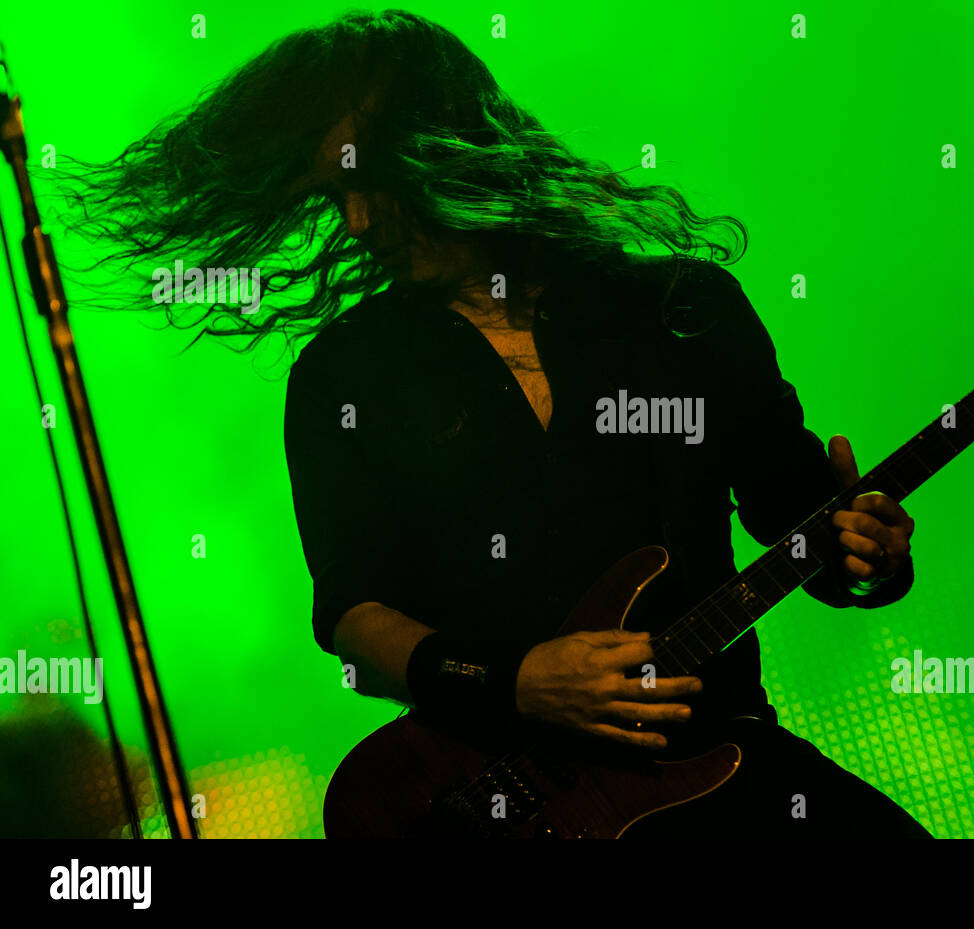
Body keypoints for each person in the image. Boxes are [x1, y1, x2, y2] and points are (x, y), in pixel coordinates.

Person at [64, 10, 930, 838]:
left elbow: (804, 526)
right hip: (496, 802)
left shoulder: (681, 309)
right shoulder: (344, 372)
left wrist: (867, 553)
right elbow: (357, 624)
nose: (359, 224)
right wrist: (517, 685)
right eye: (337, 198)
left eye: (374, 187)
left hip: (720, 759)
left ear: (453, 150)